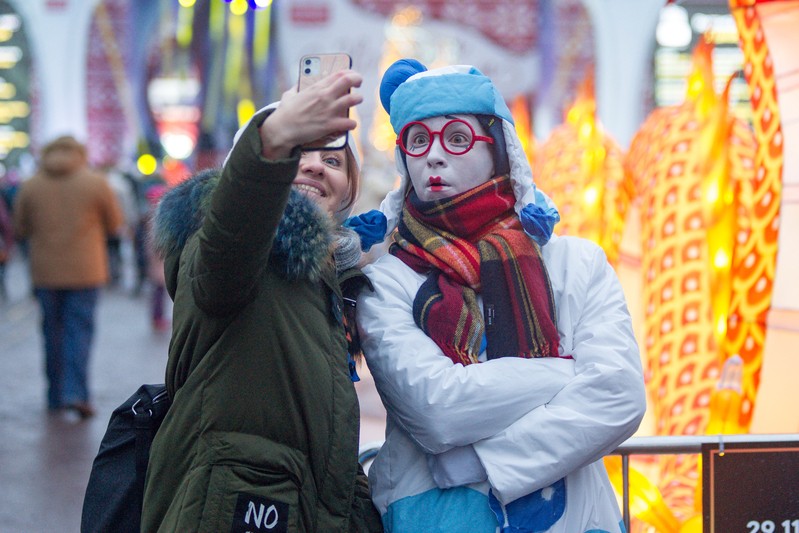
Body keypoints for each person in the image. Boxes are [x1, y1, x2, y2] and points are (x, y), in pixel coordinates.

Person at [353, 59, 647, 532]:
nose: (433, 156)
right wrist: (562, 373)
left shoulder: (576, 263)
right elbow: (438, 410)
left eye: (456, 137)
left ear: (500, 150)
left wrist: (483, 462)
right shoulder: (387, 282)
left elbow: (619, 397)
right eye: (417, 140)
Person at [141, 68, 383, 532]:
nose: (315, 165)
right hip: (232, 510)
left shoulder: (327, 280)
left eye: (333, 161)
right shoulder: (233, 248)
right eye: (299, 154)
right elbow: (236, 227)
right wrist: (274, 139)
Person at [12, 135, 124, 418]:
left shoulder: (31, 185)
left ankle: (54, 396)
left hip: (45, 272)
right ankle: (76, 392)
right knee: (79, 331)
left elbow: (20, 227)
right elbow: (114, 224)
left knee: (51, 332)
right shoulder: (95, 182)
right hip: (86, 271)